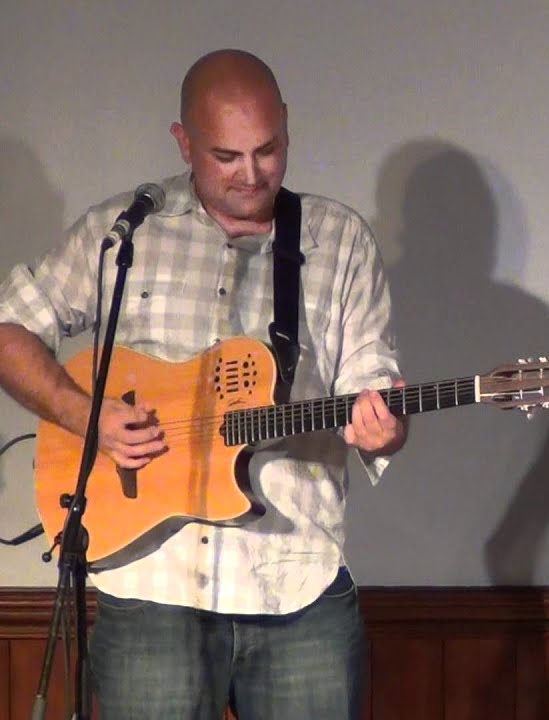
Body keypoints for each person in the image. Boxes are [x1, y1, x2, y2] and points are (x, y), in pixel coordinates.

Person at [0, 49, 406, 719]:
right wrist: (84, 416)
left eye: (268, 150)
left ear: (287, 127)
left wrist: (384, 426)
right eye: (226, 157)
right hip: (152, 584)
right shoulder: (122, 232)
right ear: (183, 143)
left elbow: (373, 390)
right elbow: (10, 326)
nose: (252, 174)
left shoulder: (338, 241)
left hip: (295, 583)